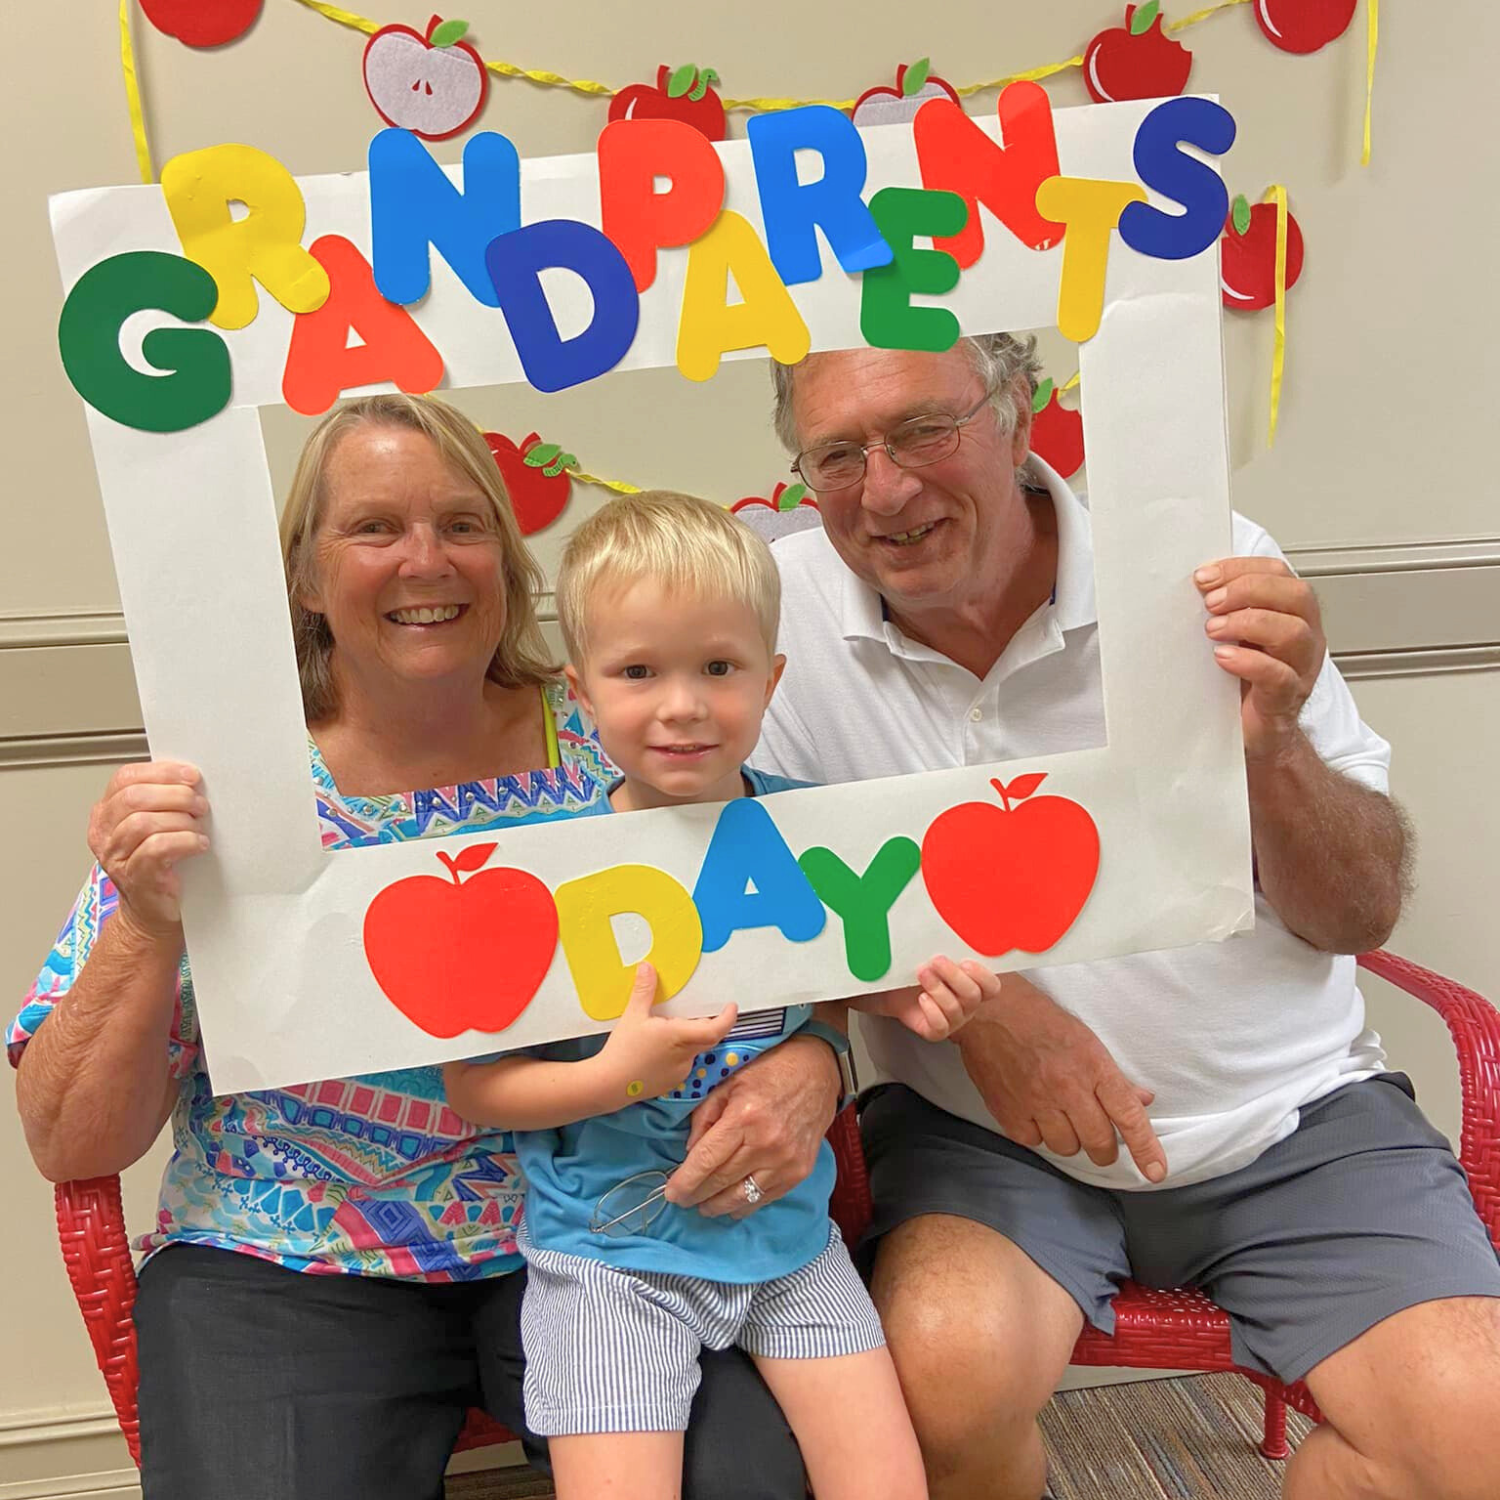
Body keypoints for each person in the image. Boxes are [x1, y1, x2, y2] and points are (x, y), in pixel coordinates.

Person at [10, 396, 835, 1500]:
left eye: (463, 523)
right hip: (285, 1255)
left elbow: (799, 934)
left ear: (507, 559)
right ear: (306, 577)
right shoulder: (230, 789)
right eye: (373, 529)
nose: (425, 560)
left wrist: (814, 1062)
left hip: (612, 1220)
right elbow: (71, 1141)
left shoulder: (631, 733)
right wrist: (152, 920)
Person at [751, 336, 1500, 1500]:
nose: (885, 490)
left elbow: (1360, 910)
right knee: (937, 1382)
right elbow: (753, 911)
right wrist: (978, 1011)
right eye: (837, 452)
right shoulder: (774, 615)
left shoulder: (1212, 567)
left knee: (1476, 1438)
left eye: (925, 430)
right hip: (984, 1142)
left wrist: (1275, 747)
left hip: (1294, 1118)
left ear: (1022, 416)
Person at [446, 491, 995, 1500]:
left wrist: (913, 999)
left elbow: (856, 969)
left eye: (718, 668)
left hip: (790, 1245)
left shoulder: (811, 830)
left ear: (770, 677)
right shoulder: (543, 870)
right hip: (609, 1265)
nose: (683, 705)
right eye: (638, 672)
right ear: (581, 691)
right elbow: (476, 1085)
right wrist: (609, 1077)